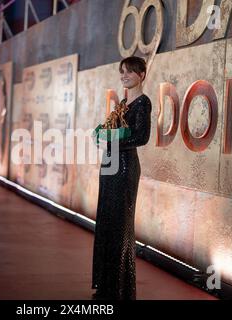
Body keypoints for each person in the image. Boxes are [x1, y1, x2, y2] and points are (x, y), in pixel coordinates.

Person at [91, 56, 151, 300]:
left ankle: (119, 289)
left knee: (119, 224)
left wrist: (114, 137)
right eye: (122, 72)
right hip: (110, 164)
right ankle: (106, 286)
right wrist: (105, 133)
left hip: (125, 167)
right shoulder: (124, 102)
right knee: (106, 221)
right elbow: (115, 131)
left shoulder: (142, 103)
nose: (124, 76)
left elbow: (142, 137)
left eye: (129, 72)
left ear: (141, 75)